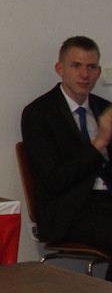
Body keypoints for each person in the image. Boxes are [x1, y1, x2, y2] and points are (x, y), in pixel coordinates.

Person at [21, 35, 112, 279]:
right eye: (76, 66)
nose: (84, 74)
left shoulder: (104, 108)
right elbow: (55, 181)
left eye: (91, 67)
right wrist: (100, 142)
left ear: (98, 71)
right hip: (70, 210)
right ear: (60, 69)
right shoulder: (39, 114)